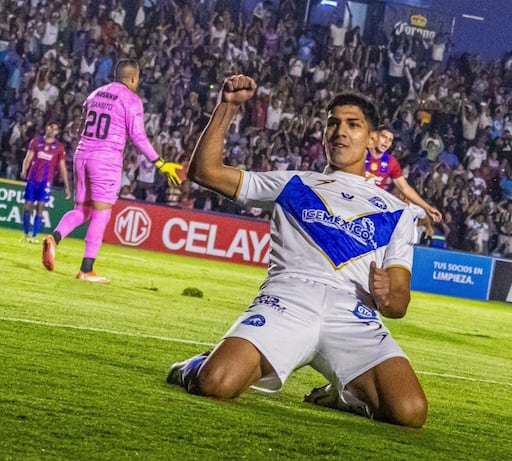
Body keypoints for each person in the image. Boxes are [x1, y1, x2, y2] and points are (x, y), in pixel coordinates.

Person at [166, 75, 428, 428]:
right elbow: (205, 171)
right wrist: (227, 106)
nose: (340, 132)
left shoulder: (397, 212)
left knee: (410, 412)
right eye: (332, 123)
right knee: (215, 383)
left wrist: (386, 296)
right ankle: (192, 366)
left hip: (352, 314)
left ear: (372, 140)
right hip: (288, 299)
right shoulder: (293, 183)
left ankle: (342, 395)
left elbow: (399, 303)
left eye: (353, 125)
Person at [41, 59, 182, 283]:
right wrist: (160, 163)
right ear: (134, 78)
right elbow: (138, 136)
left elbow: (80, 127)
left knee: (82, 210)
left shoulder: (94, 94)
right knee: (101, 213)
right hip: (105, 159)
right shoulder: (131, 100)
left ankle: (54, 238)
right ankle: (86, 270)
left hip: (82, 154)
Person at [367, 126, 442, 222]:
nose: (386, 142)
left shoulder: (391, 163)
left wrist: (427, 207)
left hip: (371, 208)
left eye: (390, 140)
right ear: (375, 137)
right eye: (384, 137)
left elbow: (405, 188)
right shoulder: (361, 152)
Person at [20, 121, 71, 243]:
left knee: (40, 207)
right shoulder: (36, 142)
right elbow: (28, 157)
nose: (51, 130)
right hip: (32, 179)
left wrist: (67, 186)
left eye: (54, 129)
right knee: (27, 207)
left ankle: (34, 236)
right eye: (50, 128)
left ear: (57, 132)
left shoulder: (59, 148)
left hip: (45, 182)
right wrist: (24, 170)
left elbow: (62, 167)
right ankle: (26, 234)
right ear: (47, 128)